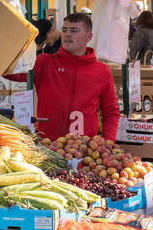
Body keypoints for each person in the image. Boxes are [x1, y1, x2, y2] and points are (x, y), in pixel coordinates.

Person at [32, 11, 119, 142]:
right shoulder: (44, 62)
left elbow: (111, 113)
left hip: (85, 151)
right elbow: (12, 74)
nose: (67, 34)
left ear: (88, 36)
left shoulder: (102, 71)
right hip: (48, 148)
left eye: (74, 30)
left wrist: (107, 144)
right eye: (65, 30)